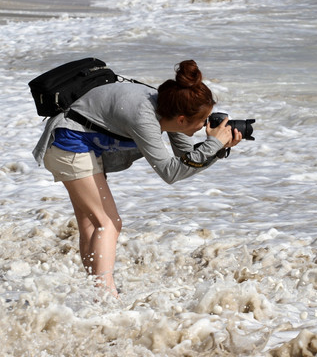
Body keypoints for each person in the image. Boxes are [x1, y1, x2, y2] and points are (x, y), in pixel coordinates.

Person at [33, 60, 242, 297]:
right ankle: (105, 297)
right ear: (182, 119)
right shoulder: (145, 117)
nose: (204, 125)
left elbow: (186, 159)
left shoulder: (169, 108)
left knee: (92, 224)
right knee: (108, 223)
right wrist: (213, 143)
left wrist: (218, 148)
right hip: (68, 144)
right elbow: (170, 172)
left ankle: (96, 292)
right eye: (201, 120)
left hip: (82, 145)